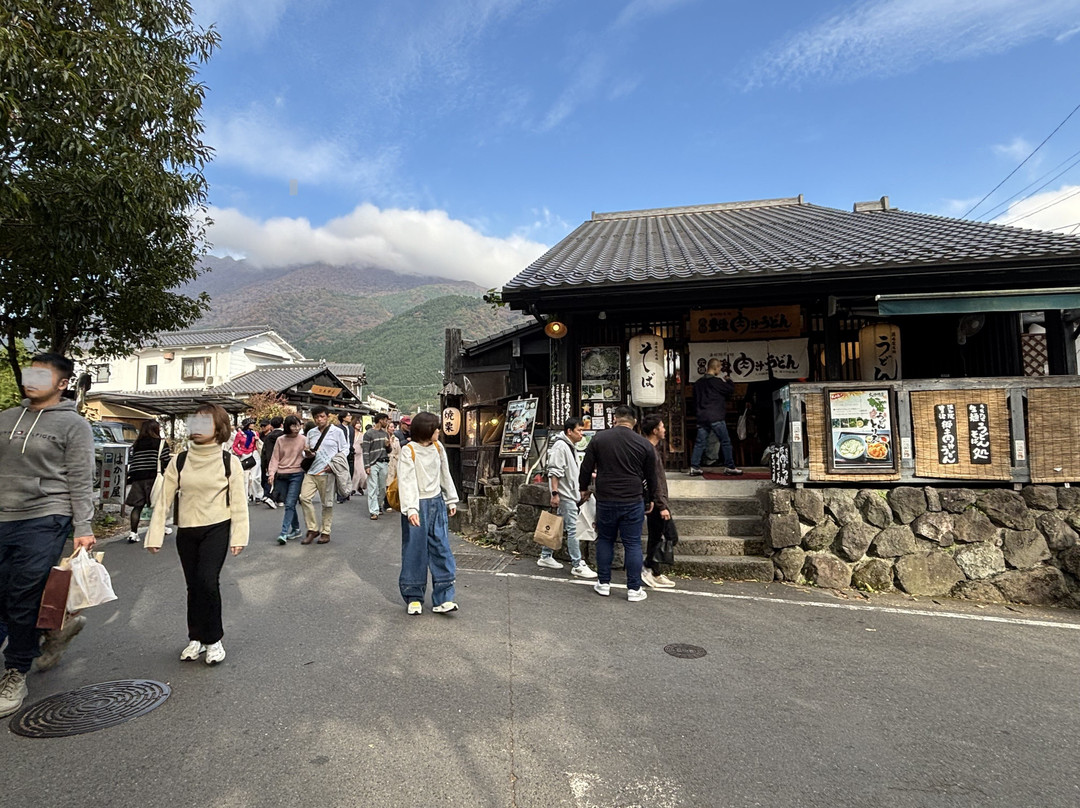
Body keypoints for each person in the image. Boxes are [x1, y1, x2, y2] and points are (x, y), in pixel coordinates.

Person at [0, 353, 96, 716]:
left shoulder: (73, 425)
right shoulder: (6, 418)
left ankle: (15, 671)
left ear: (62, 384)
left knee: (23, 592)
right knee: (5, 592)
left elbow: (80, 478)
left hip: (46, 515)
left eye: (42, 375)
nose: (31, 380)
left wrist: (83, 527)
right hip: (2, 516)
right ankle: (53, 631)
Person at [146, 404, 248, 665]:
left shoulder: (229, 461)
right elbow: (164, 500)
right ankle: (196, 638)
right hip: (187, 530)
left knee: (207, 581)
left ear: (219, 428)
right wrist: (155, 534)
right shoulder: (179, 460)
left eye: (205, 422)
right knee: (193, 585)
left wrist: (239, 536)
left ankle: (214, 640)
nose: (198, 427)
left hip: (217, 527)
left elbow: (238, 503)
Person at [578, 405, 657, 603]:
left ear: (615, 419)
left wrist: (584, 488)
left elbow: (586, 467)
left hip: (606, 497)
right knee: (632, 542)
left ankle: (603, 583)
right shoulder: (644, 444)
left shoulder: (599, 439)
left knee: (605, 539)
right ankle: (633, 588)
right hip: (632, 498)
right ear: (635, 422)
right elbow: (651, 476)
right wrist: (651, 499)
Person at [397, 412, 459, 615]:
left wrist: (451, 499)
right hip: (417, 504)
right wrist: (411, 509)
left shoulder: (438, 447)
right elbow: (406, 481)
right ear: (427, 430)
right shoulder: (409, 451)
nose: (439, 431)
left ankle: (444, 597)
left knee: (441, 548)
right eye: (436, 428)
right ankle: (413, 596)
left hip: (437, 502)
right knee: (415, 550)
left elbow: (445, 474)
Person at [539, 417, 597, 579]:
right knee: (573, 529)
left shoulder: (569, 446)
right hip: (565, 495)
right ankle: (577, 564)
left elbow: (570, 470)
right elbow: (554, 471)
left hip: (567, 494)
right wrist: (555, 494)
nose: (582, 435)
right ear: (569, 431)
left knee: (559, 525)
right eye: (579, 431)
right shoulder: (561, 446)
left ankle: (546, 555)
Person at [299, 405, 349, 544]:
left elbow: (344, 449)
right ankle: (312, 528)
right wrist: (307, 453)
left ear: (328, 416)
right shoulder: (311, 433)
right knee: (304, 498)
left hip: (328, 472)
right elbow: (305, 451)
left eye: (321, 416)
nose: (319, 419)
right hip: (312, 471)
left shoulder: (337, 432)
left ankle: (326, 531)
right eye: (316, 417)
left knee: (327, 503)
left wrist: (334, 465)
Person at [640, 414, 676, 589]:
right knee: (668, 536)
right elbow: (653, 481)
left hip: (658, 500)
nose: (664, 430)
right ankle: (648, 567)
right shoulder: (649, 450)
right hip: (656, 502)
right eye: (662, 427)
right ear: (655, 430)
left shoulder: (651, 449)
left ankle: (655, 571)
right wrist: (661, 505)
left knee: (659, 536)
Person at [689, 358, 742, 476]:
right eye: (719, 368)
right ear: (716, 367)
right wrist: (728, 380)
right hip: (716, 416)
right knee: (725, 441)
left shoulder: (698, 383)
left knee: (700, 443)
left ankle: (694, 466)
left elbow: (695, 401)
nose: (720, 370)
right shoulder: (717, 382)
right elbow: (730, 390)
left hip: (702, 417)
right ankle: (730, 466)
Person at [124, 420, 171, 543]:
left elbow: (133, 461)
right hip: (154, 478)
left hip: (138, 478)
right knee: (158, 505)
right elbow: (165, 460)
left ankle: (133, 533)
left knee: (137, 507)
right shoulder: (160, 443)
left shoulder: (137, 444)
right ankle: (160, 529)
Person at [267, 415, 306, 545]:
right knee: (289, 504)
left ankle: (283, 533)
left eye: (298, 425)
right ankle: (296, 529)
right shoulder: (280, 440)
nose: (297, 428)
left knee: (289, 504)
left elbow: (309, 455)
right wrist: (271, 473)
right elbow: (275, 458)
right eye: (293, 425)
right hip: (282, 475)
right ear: (287, 426)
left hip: (297, 474)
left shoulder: (304, 439)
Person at [362, 413, 391, 520]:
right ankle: (374, 511)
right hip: (373, 463)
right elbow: (365, 451)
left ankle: (378, 505)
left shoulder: (385, 434)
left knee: (382, 488)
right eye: (385, 420)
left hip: (384, 462)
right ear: (380, 420)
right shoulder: (368, 434)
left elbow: (389, 450)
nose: (387, 423)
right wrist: (367, 465)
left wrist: (388, 446)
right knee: (372, 487)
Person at [231, 417, 262, 500]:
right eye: (252, 423)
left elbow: (258, 445)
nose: (253, 425)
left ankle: (258, 495)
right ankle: (245, 497)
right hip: (244, 456)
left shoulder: (255, 434)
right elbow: (234, 446)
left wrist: (257, 440)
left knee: (255, 477)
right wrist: (241, 454)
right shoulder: (239, 434)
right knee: (245, 478)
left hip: (254, 455)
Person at [259, 416, 284, 508]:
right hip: (284, 461)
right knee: (281, 480)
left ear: (271, 426)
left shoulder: (268, 437)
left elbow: (265, 452)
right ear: (281, 425)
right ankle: (277, 498)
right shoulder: (285, 436)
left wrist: (265, 464)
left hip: (271, 461)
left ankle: (273, 497)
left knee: (274, 479)